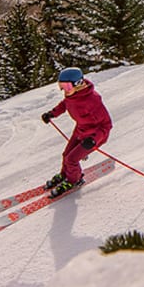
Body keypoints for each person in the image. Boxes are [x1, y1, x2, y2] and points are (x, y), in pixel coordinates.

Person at [40, 67, 113, 197]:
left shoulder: (92, 100)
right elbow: (65, 104)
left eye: (67, 86)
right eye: (61, 86)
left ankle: (75, 180)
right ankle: (65, 175)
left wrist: (93, 140)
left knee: (71, 159)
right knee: (66, 155)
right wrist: (52, 113)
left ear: (78, 84)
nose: (64, 90)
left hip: (93, 137)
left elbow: (106, 125)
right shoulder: (71, 95)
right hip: (80, 130)